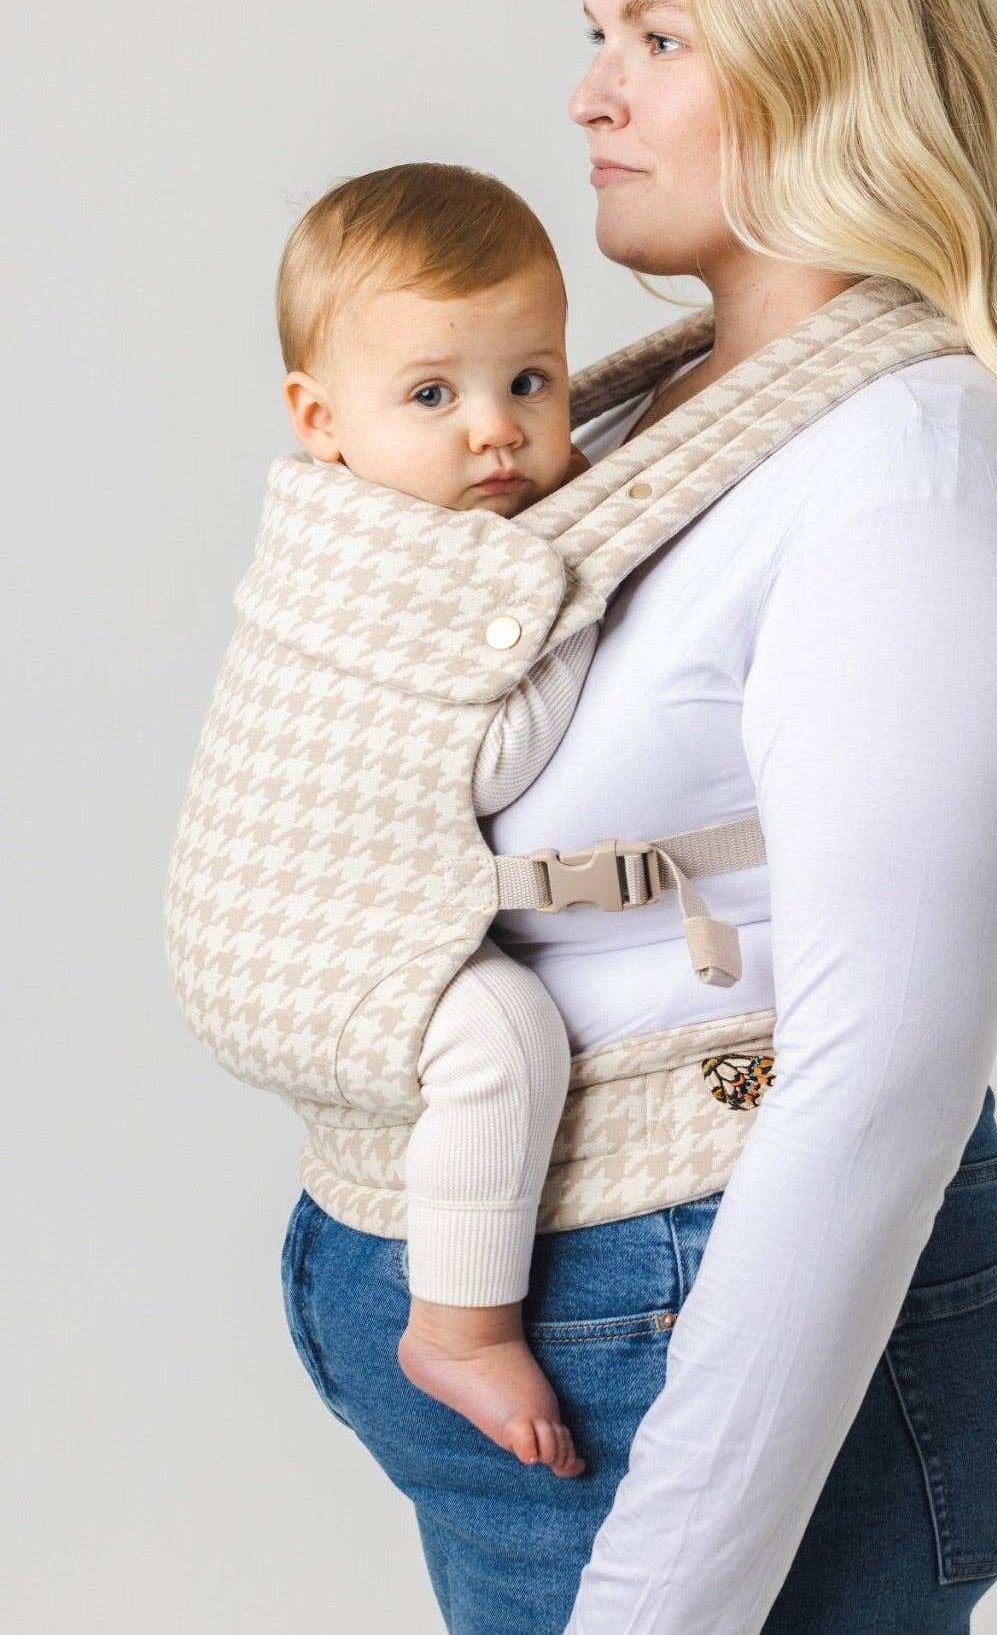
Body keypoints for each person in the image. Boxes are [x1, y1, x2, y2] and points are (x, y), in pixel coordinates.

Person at [280, 0, 997, 1633]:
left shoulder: (909, 465)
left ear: (834, 65)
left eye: (658, 37)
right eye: (595, 33)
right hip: (574, 1321)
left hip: (691, 1331)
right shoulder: (636, 415)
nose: (590, 93)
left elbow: (873, 1095)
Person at [277, 161, 597, 1478]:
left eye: (530, 380)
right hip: (298, 929)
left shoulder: (425, 536)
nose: (495, 431)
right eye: (432, 395)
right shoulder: (380, 572)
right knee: (502, 1035)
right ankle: (459, 1326)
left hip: (327, 920)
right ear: (321, 421)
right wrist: (585, 613)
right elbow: (483, 759)